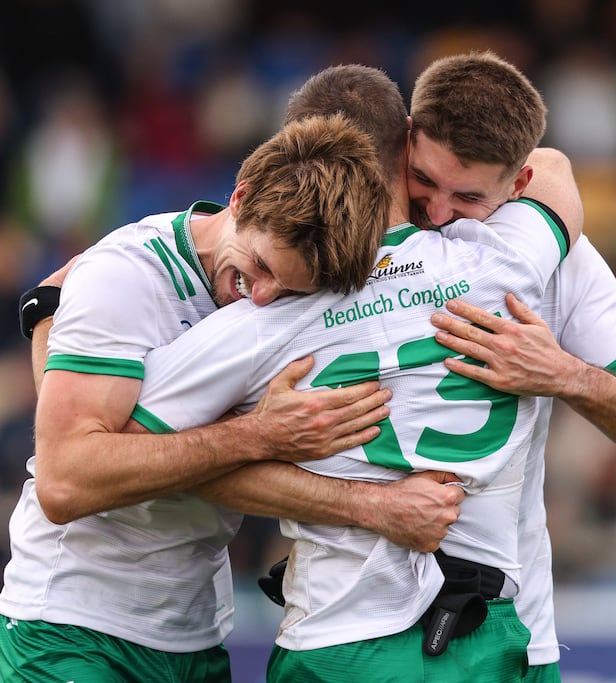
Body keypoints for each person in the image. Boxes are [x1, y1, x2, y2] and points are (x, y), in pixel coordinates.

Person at [128, 61, 583, 681]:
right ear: (405, 151)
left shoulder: (272, 313)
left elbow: (133, 449)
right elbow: (553, 173)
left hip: (342, 639)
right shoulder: (500, 260)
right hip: (488, 636)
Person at [0, 114, 468, 683]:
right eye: (261, 267)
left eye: (290, 291)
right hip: (74, 628)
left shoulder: (290, 289)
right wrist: (260, 436)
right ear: (240, 197)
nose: (262, 297)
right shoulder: (127, 279)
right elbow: (64, 480)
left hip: (194, 631)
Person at [410, 51, 616, 683]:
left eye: (466, 197)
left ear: (518, 186)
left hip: (511, 632)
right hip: (349, 632)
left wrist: (562, 373)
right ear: (406, 136)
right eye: (423, 180)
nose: (434, 211)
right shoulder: (347, 236)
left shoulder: (559, 259)